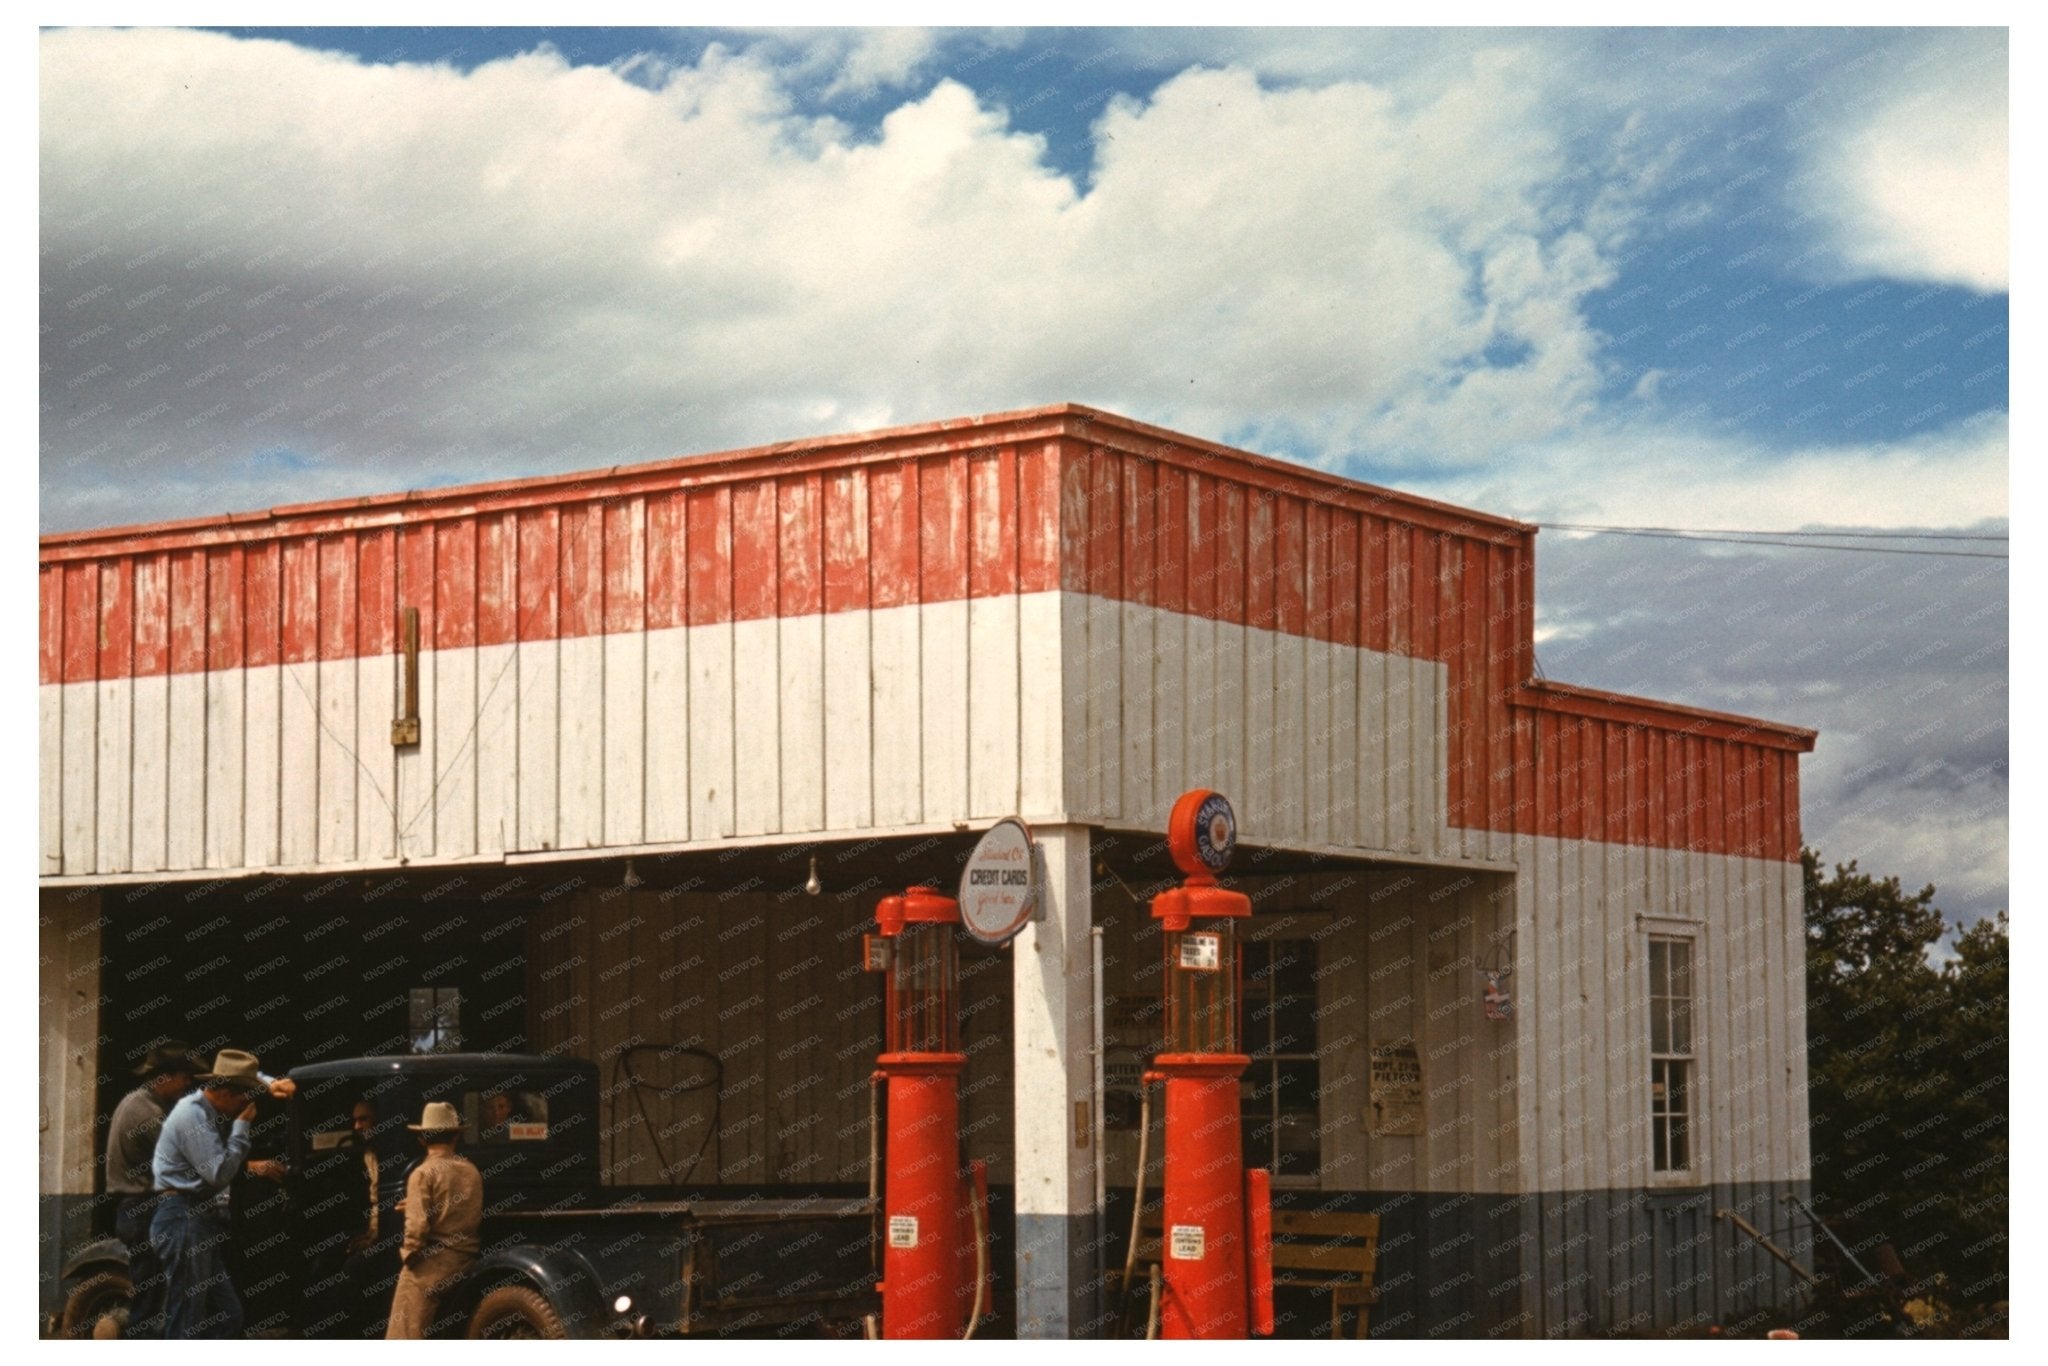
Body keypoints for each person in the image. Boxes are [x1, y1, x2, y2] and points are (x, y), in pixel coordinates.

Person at [149, 1048, 290, 1339]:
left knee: (228, 1315)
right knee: (187, 1315)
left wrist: (268, 1081)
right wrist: (241, 1128)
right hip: (183, 1217)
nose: (245, 1105)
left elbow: (241, 1075)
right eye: (242, 1098)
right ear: (225, 1092)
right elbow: (218, 1174)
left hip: (198, 1218)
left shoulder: (208, 1108)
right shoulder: (194, 1115)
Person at [104, 1041, 201, 1336]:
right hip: (141, 1209)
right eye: (184, 1077)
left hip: (140, 1208)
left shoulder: (146, 1103)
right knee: (152, 1298)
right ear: (164, 1077)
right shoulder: (145, 1112)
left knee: (155, 1292)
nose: (187, 1084)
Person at [386, 1100, 483, 1339]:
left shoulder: (421, 1174)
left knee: (403, 1333)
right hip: (466, 1257)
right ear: (455, 1138)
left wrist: (408, 1254)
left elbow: (417, 1228)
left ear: (422, 1139)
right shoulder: (471, 1170)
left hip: (434, 1266)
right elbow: (454, 1206)